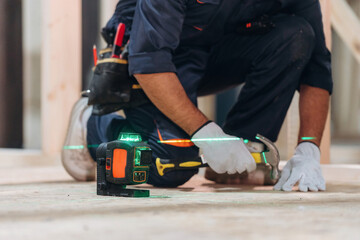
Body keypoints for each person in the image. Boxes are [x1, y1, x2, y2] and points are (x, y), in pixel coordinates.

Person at [62, 0, 332, 192]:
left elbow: (317, 68)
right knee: (170, 164)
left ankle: (244, 148)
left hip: (218, 50)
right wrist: (207, 134)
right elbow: (150, 62)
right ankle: (91, 126)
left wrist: (309, 147)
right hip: (154, 59)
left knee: (296, 35)